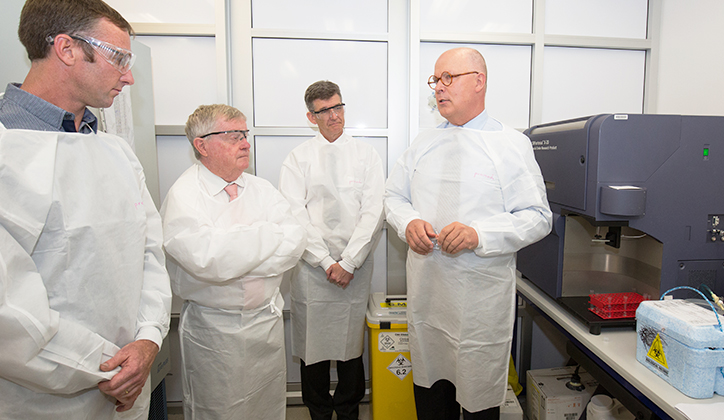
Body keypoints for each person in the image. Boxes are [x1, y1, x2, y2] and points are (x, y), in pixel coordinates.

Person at [0, 0, 172, 419]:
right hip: (45, 396)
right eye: (119, 59)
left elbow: (150, 252)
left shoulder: (114, 149)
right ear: (67, 49)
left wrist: (148, 339)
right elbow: (9, 310)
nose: (129, 76)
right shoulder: (8, 150)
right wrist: (105, 367)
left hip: (130, 378)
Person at [384, 47, 553, 420]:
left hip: (479, 303)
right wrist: (407, 222)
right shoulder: (422, 144)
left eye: (448, 78)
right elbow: (394, 197)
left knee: (477, 402)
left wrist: (479, 234)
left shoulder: (511, 144)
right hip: (429, 296)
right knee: (431, 395)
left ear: (479, 81)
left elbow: (538, 217)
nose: (438, 89)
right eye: (435, 80)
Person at [161, 104, 307, 419]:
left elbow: (295, 241)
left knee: (267, 408)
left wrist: (236, 253)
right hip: (213, 333)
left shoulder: (261, 189)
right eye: (233, 135)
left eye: (245, 134)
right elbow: (208, 260)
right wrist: (267, 236)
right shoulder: (184, 196)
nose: (245, 143)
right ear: (201, 145)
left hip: (265, 325)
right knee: (218, 411)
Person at [279, 80, 384, 420]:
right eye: (325, 111)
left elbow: (374, 211)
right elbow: (293, 214)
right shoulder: (298, 158)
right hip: (313, 269)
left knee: (350, 349)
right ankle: (319, 412)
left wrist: (349, 262)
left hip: (355, 267)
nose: (334, 116)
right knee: (314, 351)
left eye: (338, 107)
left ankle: (349, 410)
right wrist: (326, 262)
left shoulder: (366, 155)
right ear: (312, 116)